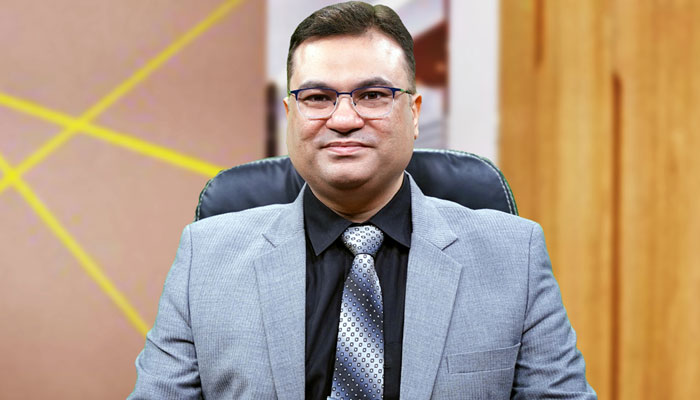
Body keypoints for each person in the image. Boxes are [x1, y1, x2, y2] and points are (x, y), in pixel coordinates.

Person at [129, 2, 597, 399]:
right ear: (290, 115)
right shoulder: (205, 259)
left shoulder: (514, 256)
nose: (344, 119)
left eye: (372, 95)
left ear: (414, 113)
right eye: (317, 97)